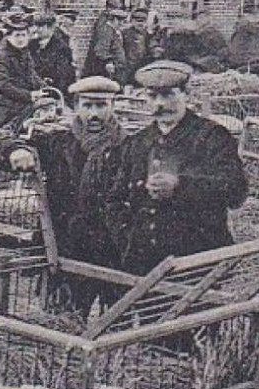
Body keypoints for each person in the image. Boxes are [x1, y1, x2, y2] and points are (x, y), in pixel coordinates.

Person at [1, 75, 128, 316]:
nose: (93, 114)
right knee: (62, 320)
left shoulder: (129, 146)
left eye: (101, 106)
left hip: (111, 250)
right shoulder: (58, 141)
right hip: (66, 246)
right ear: (76, 106)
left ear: (113, 106)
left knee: (114, 324)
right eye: (87, 105)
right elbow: (4, 138)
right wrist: (15, 150)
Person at [106, 60, 249, 275]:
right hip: (144, 265)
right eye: (153, 96)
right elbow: (114, 200)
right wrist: (127, 238)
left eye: (168, 95)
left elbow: (236, 191)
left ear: (187, 95)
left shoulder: (211, 136)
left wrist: (181, 186)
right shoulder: (138, 143)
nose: (160, 104)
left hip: (197, 263)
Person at [0, 11, 46, 131]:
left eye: (23, 35)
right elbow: (3, 86)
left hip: (25, 109)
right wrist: (30, 95)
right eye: (17, 35)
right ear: (9, 37)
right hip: (7, 111)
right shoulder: (0, 58)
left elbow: (31, 75)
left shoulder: (26, 55)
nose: (21, 39)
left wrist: (44, 87)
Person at [30, 11, 77, 95]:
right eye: (35, 25)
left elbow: (63, 77)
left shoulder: (61, 48)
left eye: (41, 26)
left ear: (50, 28)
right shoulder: (31, 45)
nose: (36, 29)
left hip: (54, 92)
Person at [83, 1, 129, 83]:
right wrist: (108, 62)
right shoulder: (106, 31)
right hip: (104, 72)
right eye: (121, 21)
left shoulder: (113, 31)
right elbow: (100, 50)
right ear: (114, 19)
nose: (122, 24)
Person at [121, 7, 154, 80]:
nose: (140, 23)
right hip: (128, 67)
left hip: (142, 67)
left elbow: (150, 50)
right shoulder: (125, 34)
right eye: (137, 21)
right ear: (132, 21)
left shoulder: (148, 35)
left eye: (142, 21)